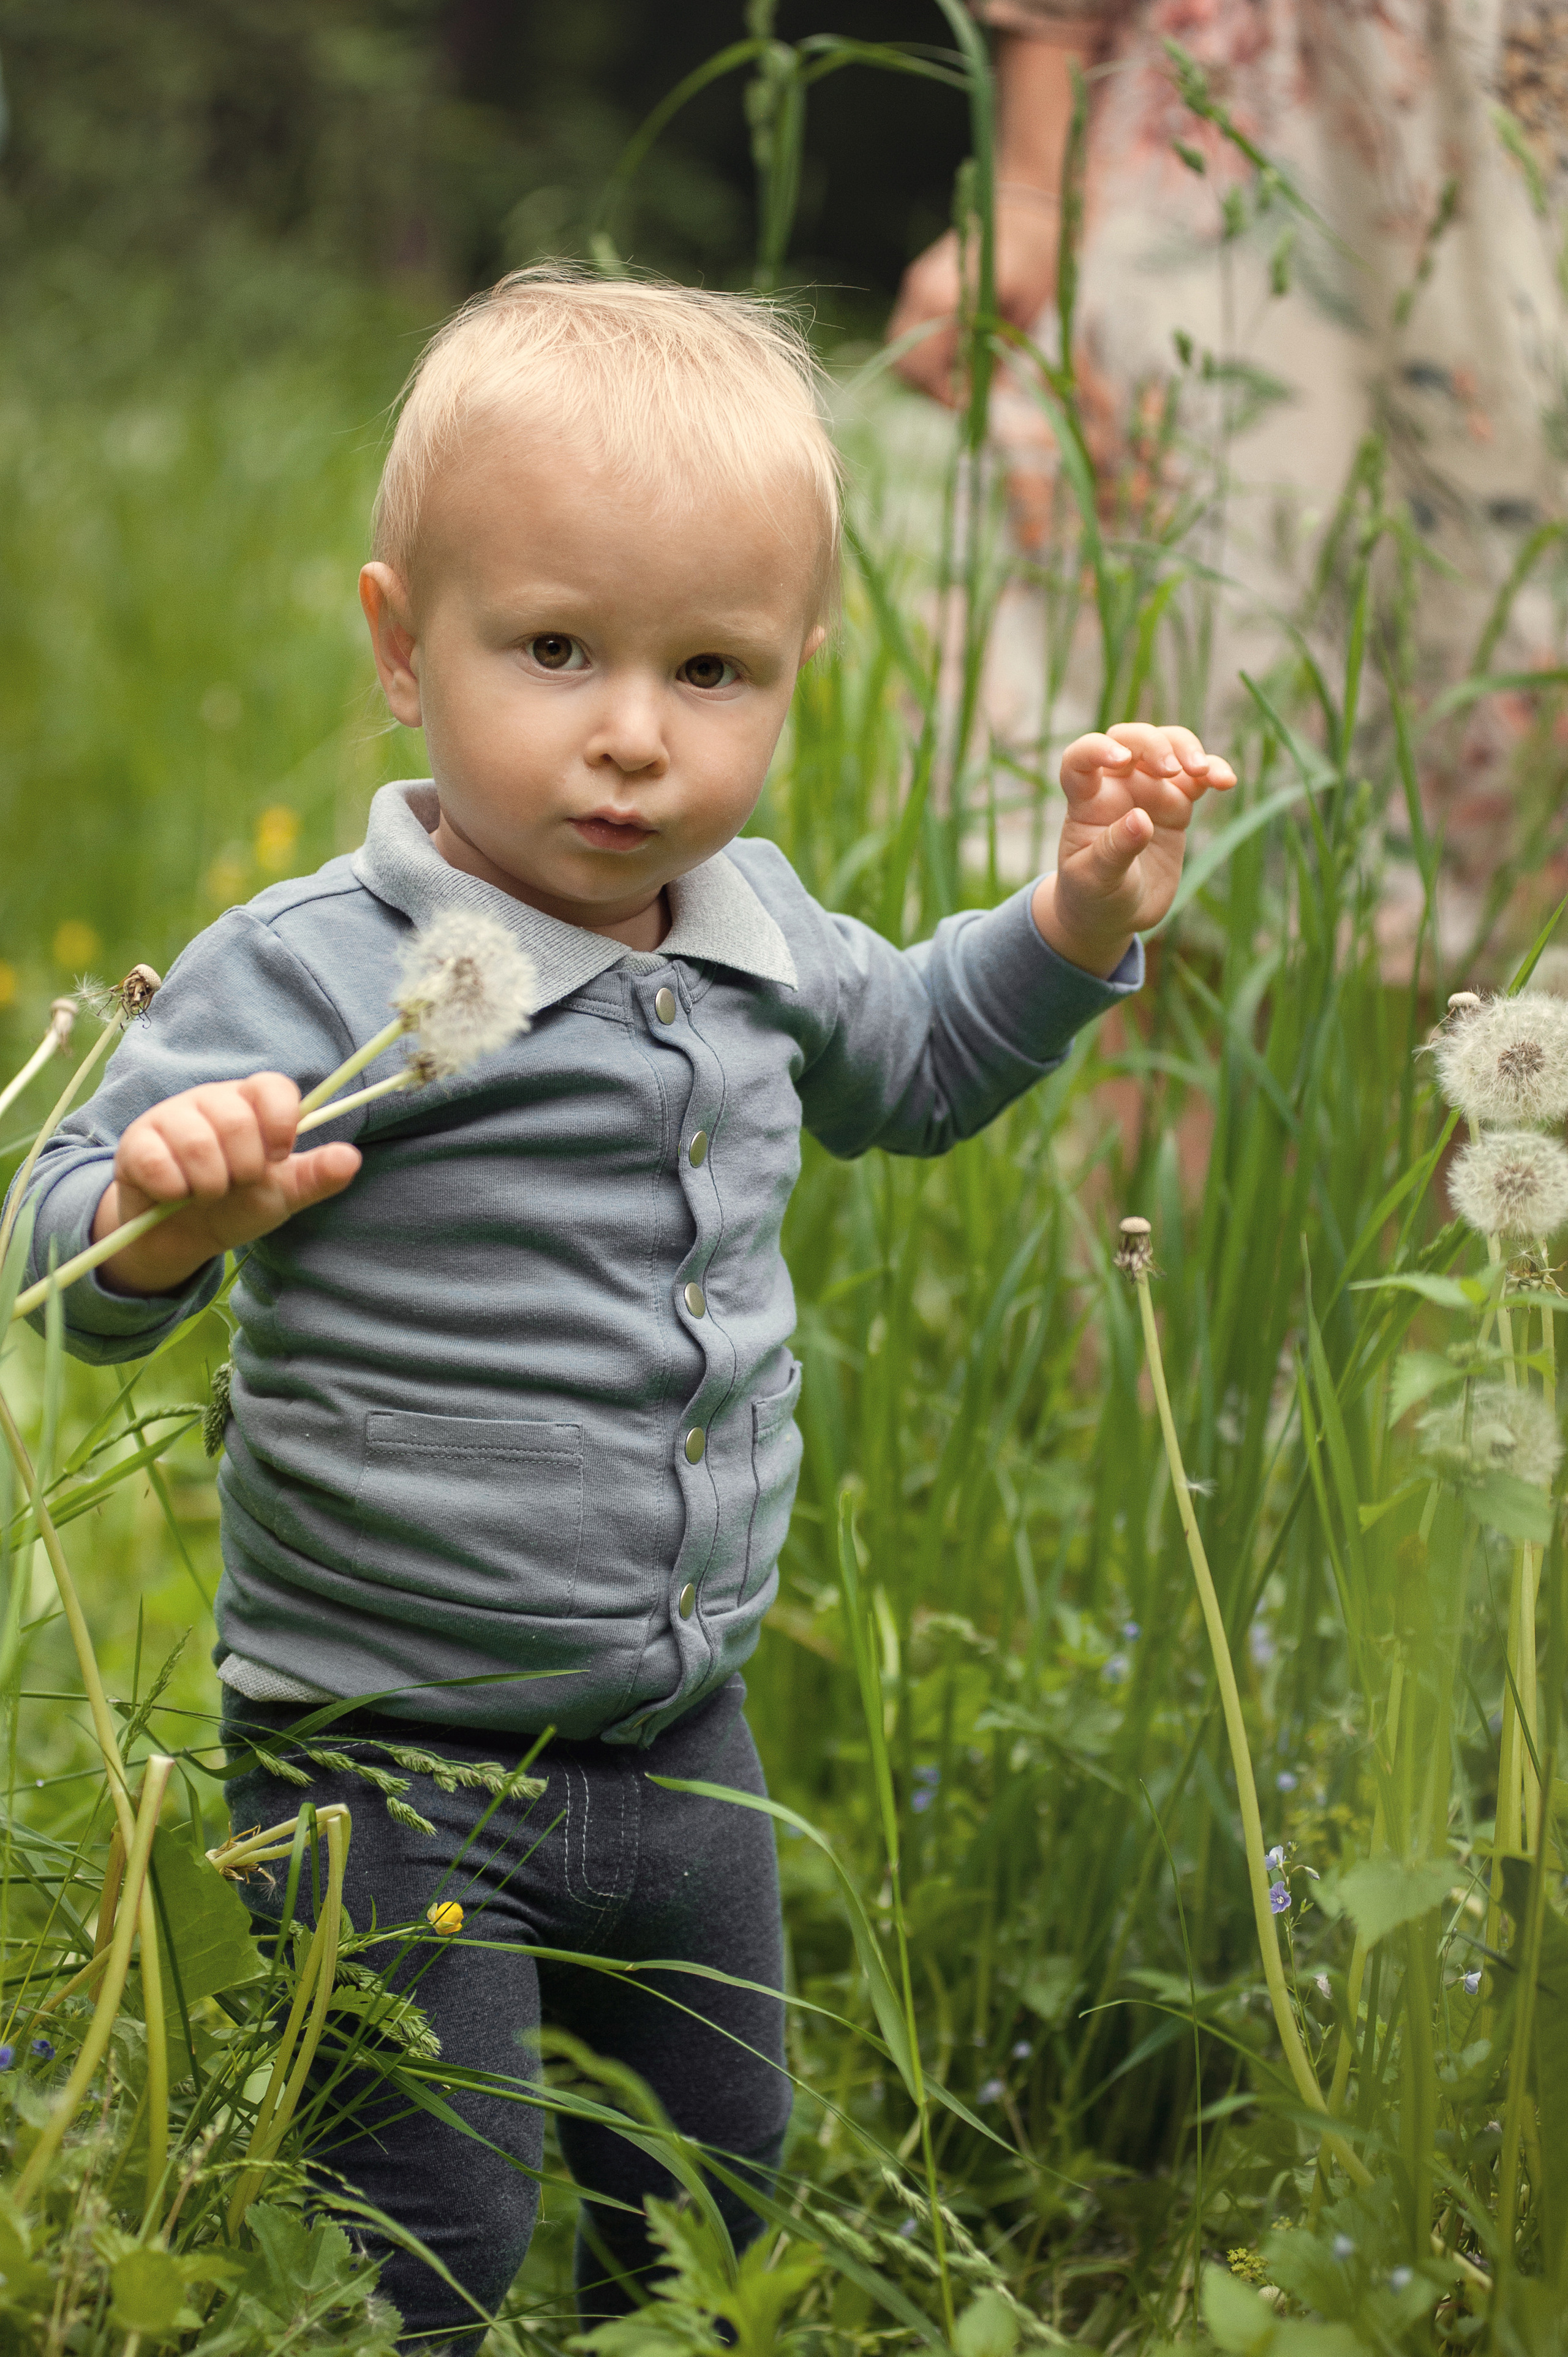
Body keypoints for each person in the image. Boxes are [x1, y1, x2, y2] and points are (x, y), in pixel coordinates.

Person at [14, 268, 1233, 2350]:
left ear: (798, 675)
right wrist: (165, 1216)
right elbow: (54, 1258)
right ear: (406, 648)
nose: (633, 733)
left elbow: (923, 1061)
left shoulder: (760, 939)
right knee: (433, 2231)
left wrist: (1072, 920)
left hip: (685, 1734)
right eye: (556, 648)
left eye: (713, 669)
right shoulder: (317, 966)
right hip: (381, 1756)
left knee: (716, 2196)